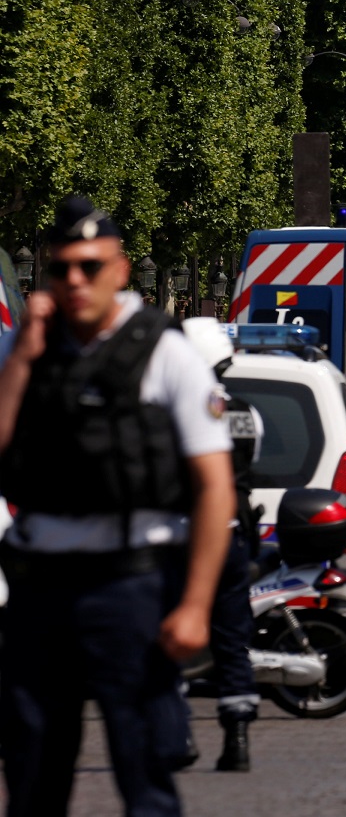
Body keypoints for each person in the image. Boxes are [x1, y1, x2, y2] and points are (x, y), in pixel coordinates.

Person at [0, 196, 236, 816]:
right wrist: (23, 355)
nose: (75, 281)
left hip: (129, 583)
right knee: (31, 772)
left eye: (90, 266)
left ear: (120, 270)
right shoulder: (29, 351)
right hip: (38, 586)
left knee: (144, 768)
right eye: (62, 269)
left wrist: (194, 605)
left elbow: (215, 485)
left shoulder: (165, 351)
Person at [181, 317, 264, 773]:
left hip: (186, 535)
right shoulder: (247, 412)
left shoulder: (176, 410)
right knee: (233, 642)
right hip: (233, 535)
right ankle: (237, 737)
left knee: (167, 638)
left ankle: (178, 733)